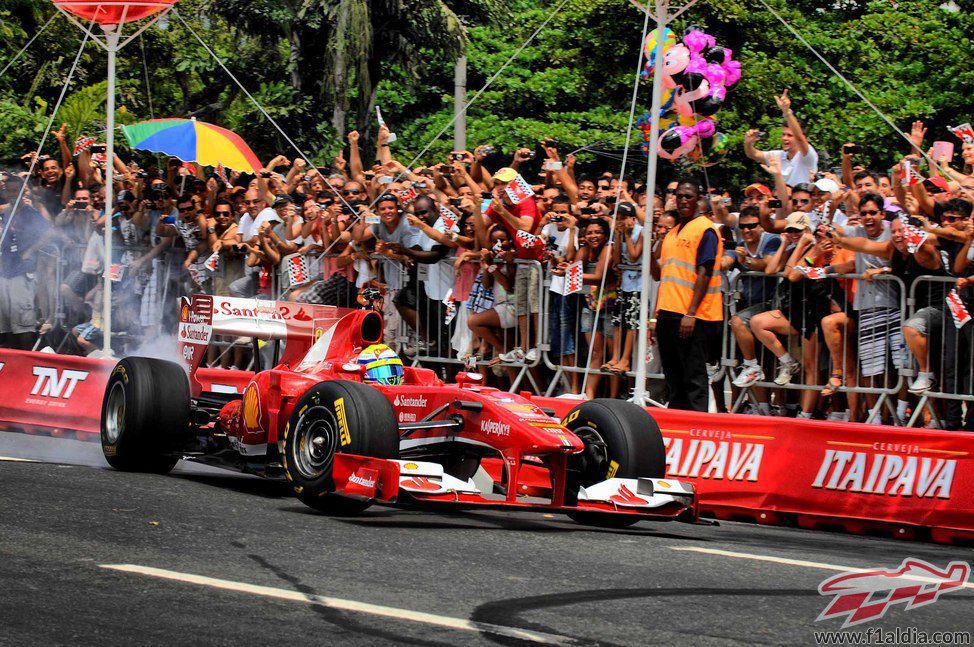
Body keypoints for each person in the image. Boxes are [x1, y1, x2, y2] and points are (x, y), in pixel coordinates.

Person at [649, 181, 723, 411]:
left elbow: (705, 272)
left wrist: (691, 313)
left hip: (692, 315)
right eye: (679, 196)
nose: (683, 200)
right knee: (674, 376)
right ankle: (678, 421)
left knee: (693, 376)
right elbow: (661, 276)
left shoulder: (705, 229)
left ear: (698, 199)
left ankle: (695, 425)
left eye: (688, 196)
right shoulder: (672, 232)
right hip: (668, 313)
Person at [744, 90, 818, 187]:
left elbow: (799, 138)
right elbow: (753, 154)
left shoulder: (808, 156)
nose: (784, 138)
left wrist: (787, 111)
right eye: (783, 134)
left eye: (789, 135)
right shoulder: (779, 156)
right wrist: (748, 143)